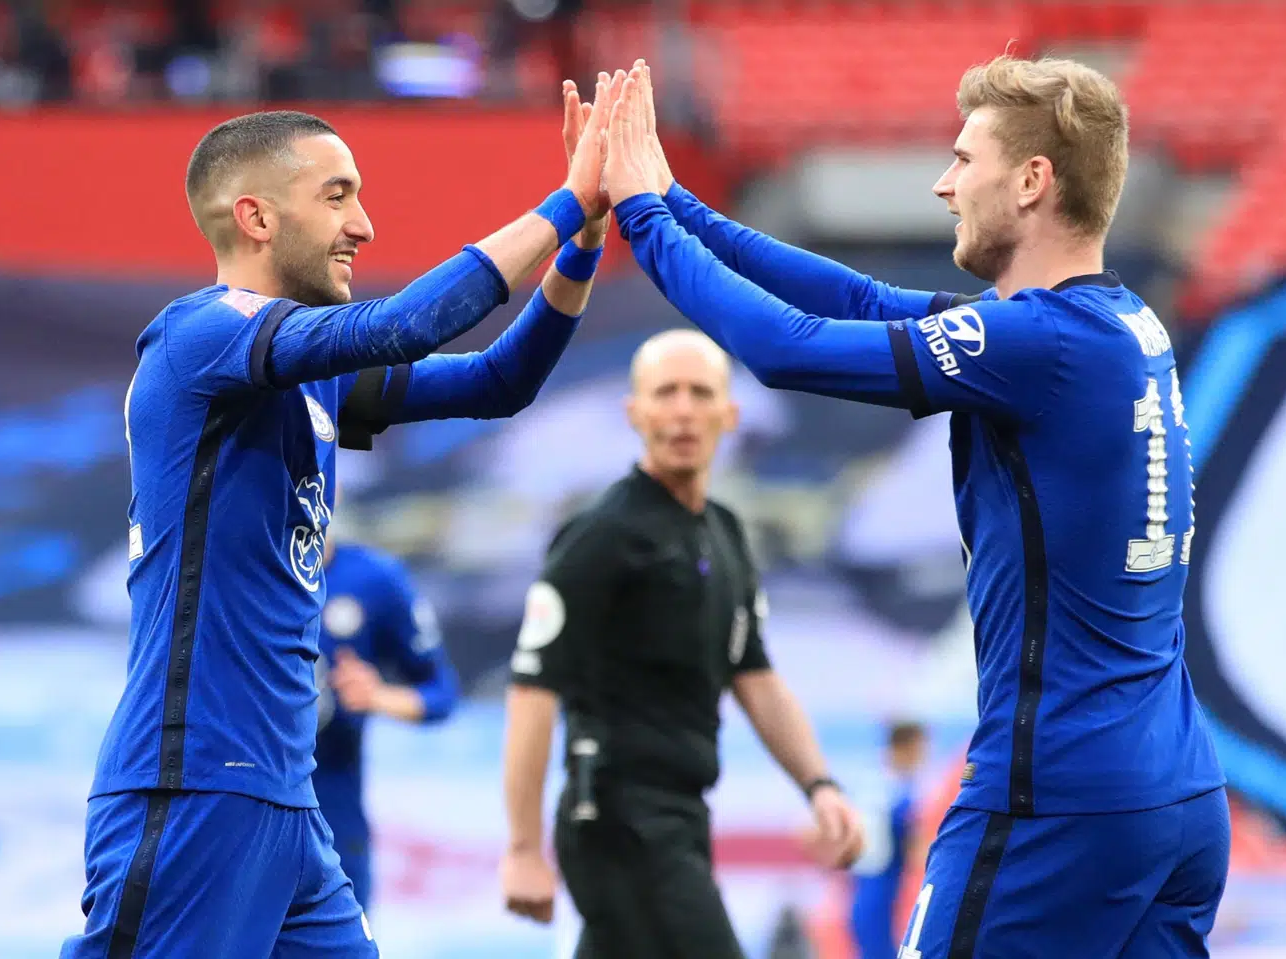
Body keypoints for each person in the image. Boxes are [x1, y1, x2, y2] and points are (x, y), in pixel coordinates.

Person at [603, 56, 1229, 957]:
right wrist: (679, 202)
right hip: (1173, 792)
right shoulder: (1122, 325)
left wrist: (642, 218)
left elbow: (786, 349)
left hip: (1055, 796)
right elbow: (858, 299)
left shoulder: (1038, 344)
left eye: (964, 160)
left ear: (1031, 181)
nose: (943, 184)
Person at [63, 70, 617, 958]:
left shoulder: (308, 370)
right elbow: (407, 325)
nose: (364, 224)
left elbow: (498, 383)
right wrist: (565, 199)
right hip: (193, 785)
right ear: (256, 217)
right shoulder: (201, 336)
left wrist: (582, 246)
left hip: (288, 800)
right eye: (338, 196)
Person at [498, 328, 864, 958]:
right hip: (617, 819)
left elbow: (755, 676)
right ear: (635, 412)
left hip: (683, 814)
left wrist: (820, 786)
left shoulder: (723, 531)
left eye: (701, 393)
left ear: (730, 413)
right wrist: (524, 850)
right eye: (666, 392)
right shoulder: (601, 535)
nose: (684, 409)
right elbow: (533, 690)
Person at [313, 531, 461, 913]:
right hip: (235, 810)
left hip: (332, 817)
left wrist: (377, 696)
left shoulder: (372, 578)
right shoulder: (229, 569)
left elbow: (441, 691)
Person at [847, 722, 928, 959]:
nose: (921, 758)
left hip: (878, 884)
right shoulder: (888, 789)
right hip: (877, 884)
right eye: (918, 751)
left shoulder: (879, 782)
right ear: (904, 748)